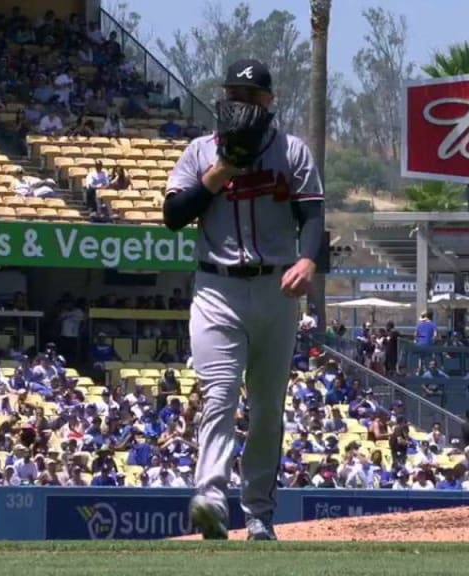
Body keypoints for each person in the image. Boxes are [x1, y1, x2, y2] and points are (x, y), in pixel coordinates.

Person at [163, 59, 324, 541]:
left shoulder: (291, 151)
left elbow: (313, 215)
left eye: (251, 96)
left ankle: (258, 513)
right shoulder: (198, 153)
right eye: (235, 94)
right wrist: (221, 171)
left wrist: (310, 261)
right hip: (218, 288)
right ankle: (211, 496)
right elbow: (173, 215)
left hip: (277, 287)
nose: (242, 104)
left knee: (267, 407)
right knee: (219, 394)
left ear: (269, 102)